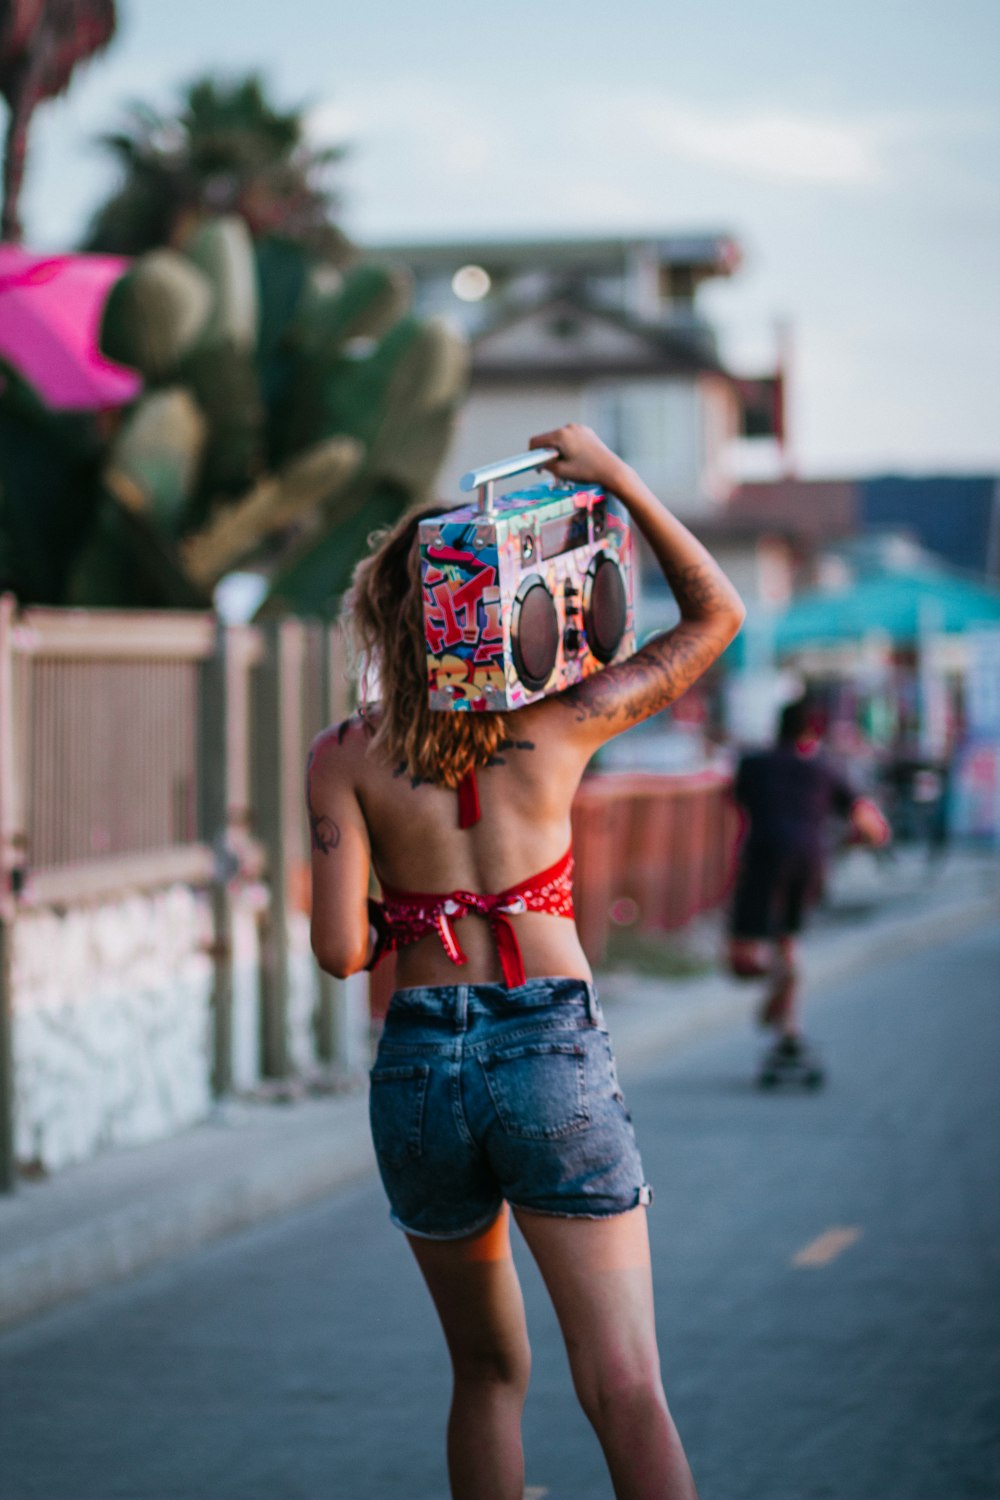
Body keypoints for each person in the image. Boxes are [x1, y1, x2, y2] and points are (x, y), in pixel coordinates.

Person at [307, 424, 745, 1500]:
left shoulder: (344, 757)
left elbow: (337, 950)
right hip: (546, 1044)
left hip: (418, 1068)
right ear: (498, 603)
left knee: (487, 1373)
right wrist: (618, 480)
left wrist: (402, 905)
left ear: (385, 618)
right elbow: (715, 615)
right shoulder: (559, 725)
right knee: (625, 1384)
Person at [726, 696, 890, 1055]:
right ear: (814, 734)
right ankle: (788, 1027)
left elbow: (732, 810)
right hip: (809, 861)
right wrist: (851, 841)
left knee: (742, 958)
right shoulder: (827, 769)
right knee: (788, 941)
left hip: (764, 857)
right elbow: (875, 828)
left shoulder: (753, 765)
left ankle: (779, 983)